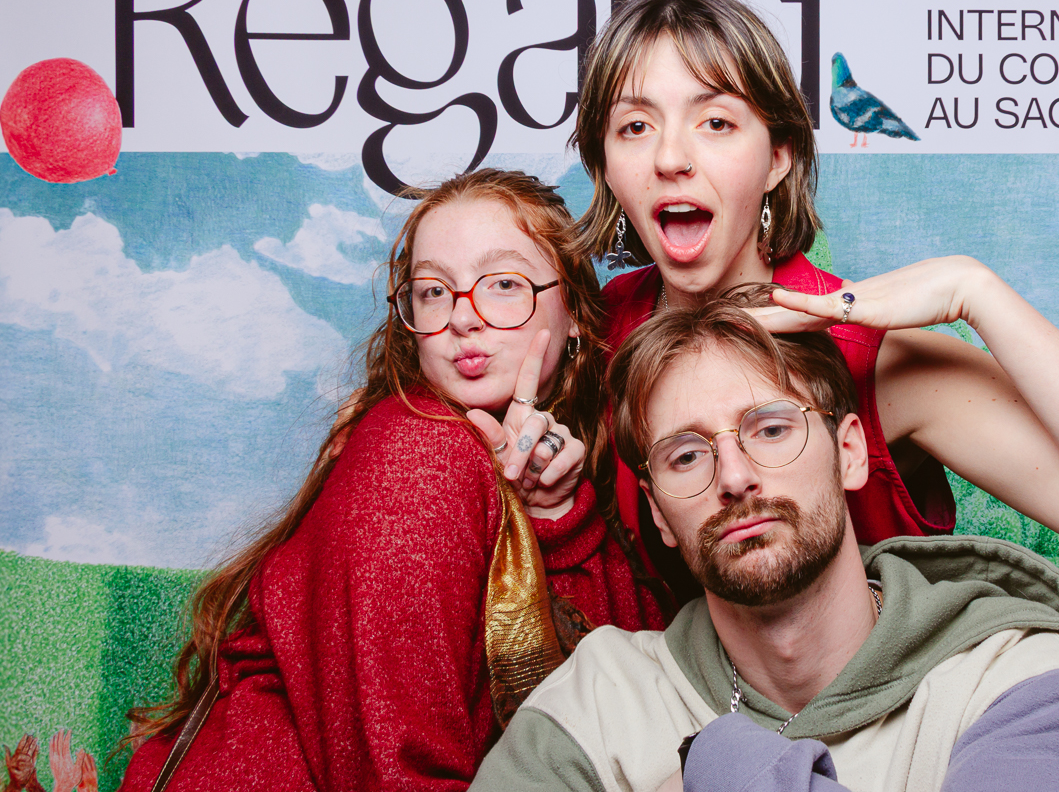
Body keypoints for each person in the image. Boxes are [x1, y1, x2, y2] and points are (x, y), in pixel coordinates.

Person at [565, 0, 1059, 595]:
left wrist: (973, 289)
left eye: (716, 122)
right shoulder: (594, 331)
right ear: (606, 166)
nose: (670, 158)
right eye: (635, 127)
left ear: (778, 157)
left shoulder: (875, 355)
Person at [120, 170, 664, 792]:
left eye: (504, 284)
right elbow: (392, 771)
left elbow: (626, 696)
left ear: (576, 315)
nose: (462, 317)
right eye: (433, 291)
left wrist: (556, 518)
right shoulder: (420, 451)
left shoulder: (517, 458)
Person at [470, 298, 1059, 792]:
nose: (733, 477)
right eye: (687, 454)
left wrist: (726, 768)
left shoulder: (1018, 680)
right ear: (659, 513)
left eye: (772, 429)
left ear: (850, 453)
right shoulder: (596, 701)